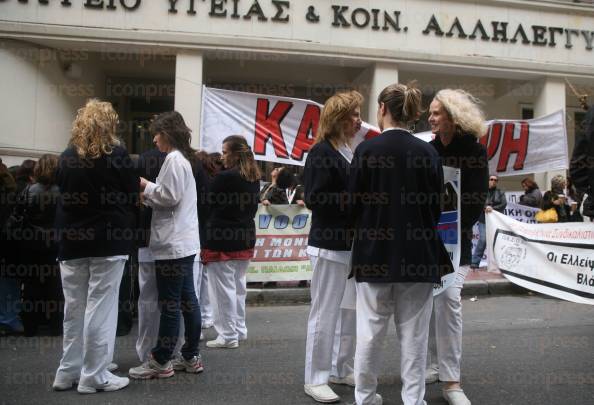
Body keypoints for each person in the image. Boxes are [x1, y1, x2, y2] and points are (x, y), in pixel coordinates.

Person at [348, 83, 451, 405]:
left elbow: (353, 204)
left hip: (373, 254)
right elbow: (437, 206)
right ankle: (413, 399)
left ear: (382, 109)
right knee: (415, 336)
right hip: (418, 255)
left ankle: (364, 397)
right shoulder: (428, 152)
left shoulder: (366, 151)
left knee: (369, 332)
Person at [52, 99, 138, 394]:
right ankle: (94, 375)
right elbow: (130, 193)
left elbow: (62, 191)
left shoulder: (66, 156)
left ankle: (67, 372)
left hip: (71, 241)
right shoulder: (117, 155)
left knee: (73, 309)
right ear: (109, 124)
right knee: (100, 308)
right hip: (108, 239)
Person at [129, 111, 204, 379]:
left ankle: (161, 360)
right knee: (188, 301)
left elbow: (169, 197)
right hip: (184, 242)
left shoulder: (173, 160)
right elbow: (174, 198)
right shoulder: (183, 160)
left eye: (157, 134)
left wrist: (145, 186)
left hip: (172, 244)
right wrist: (152, 192)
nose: (154, 139)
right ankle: (191, 355)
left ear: (168, 134)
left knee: (170, 304)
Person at [427, 89, 489, 405]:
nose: (430, 117)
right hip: (426, 242)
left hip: (456, 243)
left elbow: (476, 201)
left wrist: (450, 232)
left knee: (449, 299)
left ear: (452, 116)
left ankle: (451, 381)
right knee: (426, 302)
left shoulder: (475, 153)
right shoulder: (427, 150)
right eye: (430, 112)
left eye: (436, 112)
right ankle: (431, 364)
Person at [302, 90, 362, 403]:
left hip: (349, 245)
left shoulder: (347, 150)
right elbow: (315, 198)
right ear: (337, 119)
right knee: (324, 312)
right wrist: (357, 200)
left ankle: (341, 368)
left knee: (349, 312)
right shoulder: (321, 153)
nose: (358, 120)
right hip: (328, 244)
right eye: (352, 115)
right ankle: (315, 377)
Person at [201, 135, 261, 349]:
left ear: (236, 154)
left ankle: (227, 335)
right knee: (238, 285)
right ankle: (238, 328)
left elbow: (207, 204)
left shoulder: (224, 177)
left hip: (222, 237)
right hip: (244, 236)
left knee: (222, 289)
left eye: (225, 152)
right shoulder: (254, 177)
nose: (223, 156)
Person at [18, 154, 63, 336]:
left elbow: (20, 215)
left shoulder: (29, 190)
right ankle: (55, 325)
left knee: (31, 285)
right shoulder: (63, 191)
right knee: (55, 286)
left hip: (32, 242)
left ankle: (30, 326)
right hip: (55, 243)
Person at [471, 174, 506, 269]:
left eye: (495, 180)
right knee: (483, 239)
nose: (493, 181)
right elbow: (477, 203)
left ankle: (500, 264)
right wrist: (485, 207)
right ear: (488, 180)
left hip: (496, 221)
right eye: (491, 179)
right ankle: (475, 262)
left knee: (497, 241)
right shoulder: (482, 192)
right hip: (483, 220)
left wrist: (492, 208)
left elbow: (503, 204)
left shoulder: (500, 192)